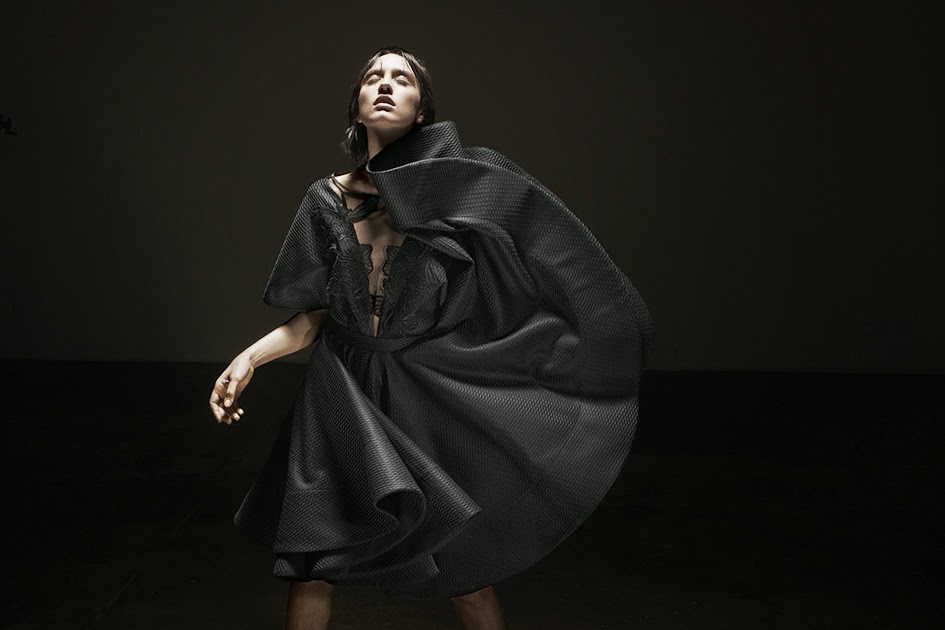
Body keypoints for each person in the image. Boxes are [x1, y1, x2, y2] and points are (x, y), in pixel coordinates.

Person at [209, 45, 654, 630]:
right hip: (338, 391)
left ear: (421, 110)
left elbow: (527, 262)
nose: (385, 84)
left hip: (421, 390)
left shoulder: (461, 193)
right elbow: (317, 317)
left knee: (462, 570)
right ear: (356, 105)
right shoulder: (324, 199)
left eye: (402, 78)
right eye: (373, 77)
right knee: (312, 563)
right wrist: (249, 358)